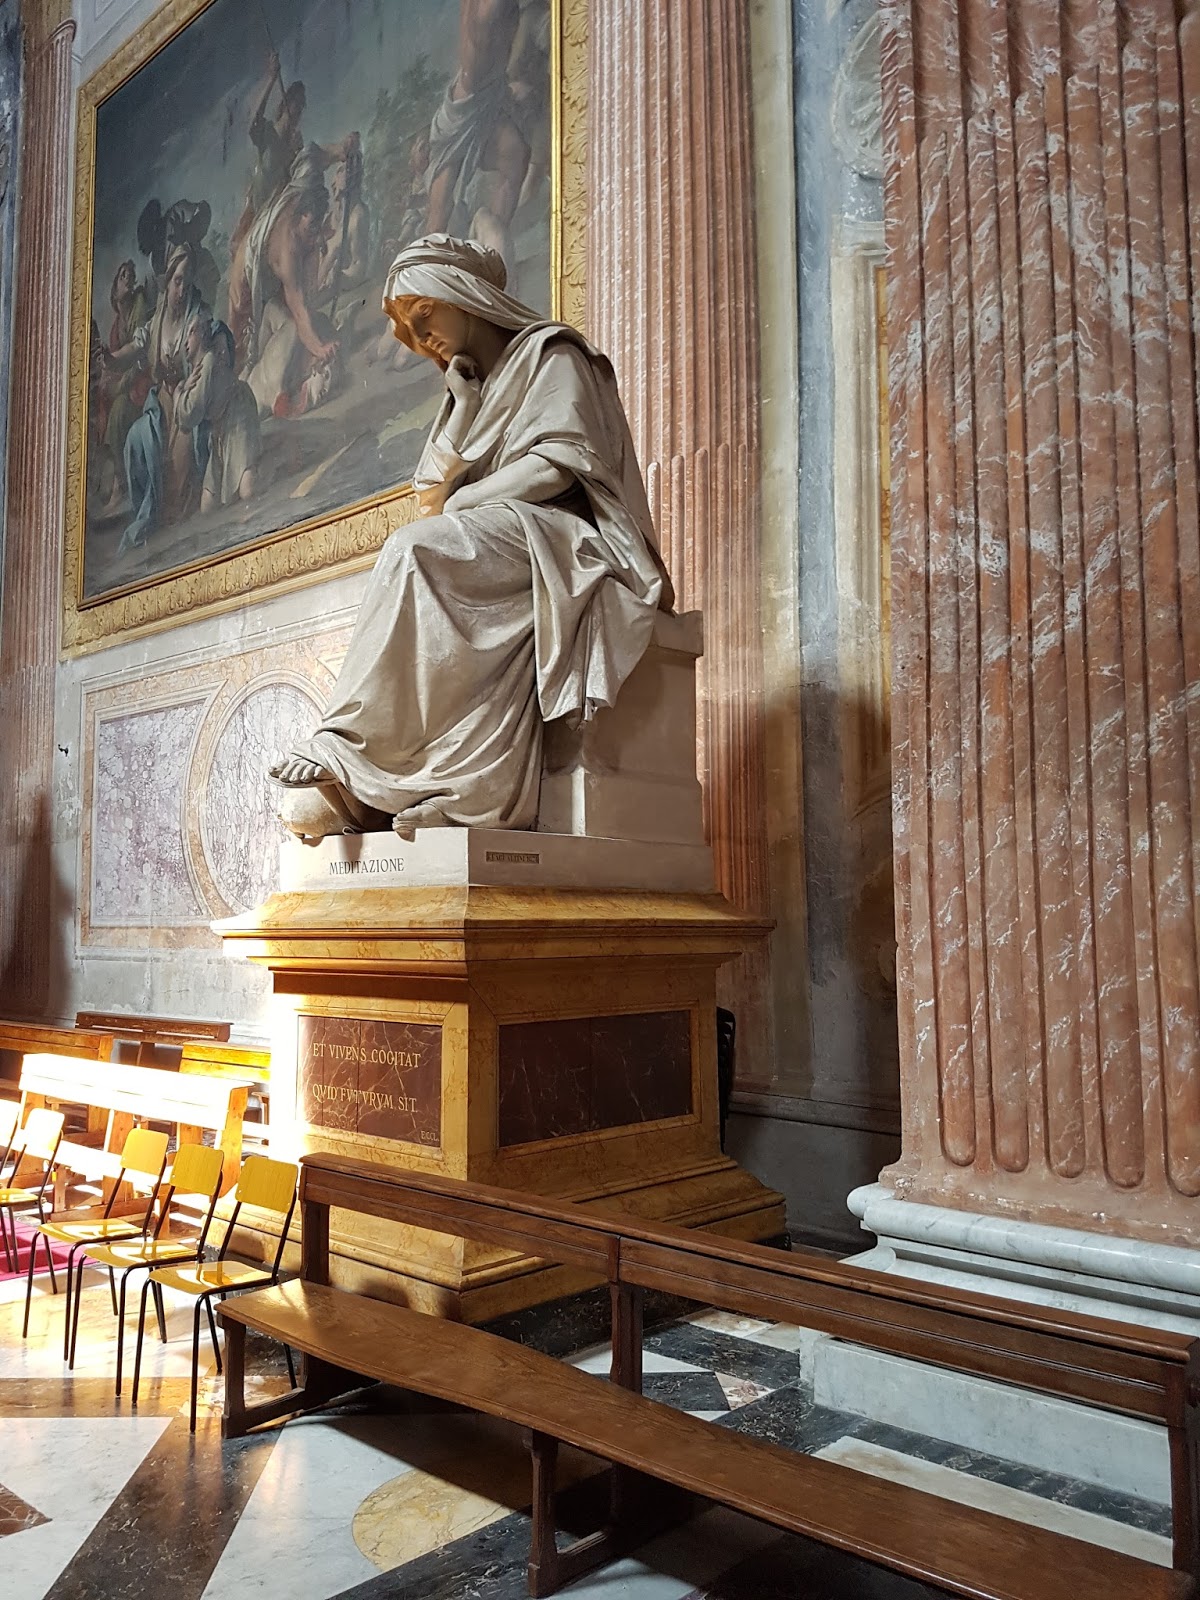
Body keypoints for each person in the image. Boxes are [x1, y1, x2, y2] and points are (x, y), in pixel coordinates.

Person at [270, 233, 673, 842]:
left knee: (413, 552)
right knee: (422, 564)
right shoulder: (471, 385)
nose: (420, 336)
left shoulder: (552, 355)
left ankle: (349, 748)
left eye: (425, 314)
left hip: (565, 533)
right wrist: (463, 404)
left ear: (462, 295)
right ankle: (440, 783)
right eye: (409, 329)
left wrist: (466, 499)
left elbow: (558, 465)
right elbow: (431, 498)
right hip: (507, 533)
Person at [107, 244, 207, 551]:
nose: (182, 289)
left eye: (187, 282)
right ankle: (146, 513)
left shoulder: (196, 319)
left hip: (187, 403)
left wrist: (188, 385)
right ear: (168, 282)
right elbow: (136, 347)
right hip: (162, 403)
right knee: (136, 439)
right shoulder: (157, 321)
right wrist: (110, 359)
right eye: (177, 281)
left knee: (178, 476)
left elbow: (206, 357)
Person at [425, 0, 531, 273]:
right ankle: (433, 278)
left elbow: (503, 48)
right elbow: (482, 41)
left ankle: (489, 259)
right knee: (437, 219)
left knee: (517, 155)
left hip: (490, 97)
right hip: (462, 109)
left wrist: (507, 87)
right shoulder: (481, 14)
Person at [176, 309, 262, 512]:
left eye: (190, 333)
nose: (185, 343)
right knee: (207, 507)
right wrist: (184, 387)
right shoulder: (199, 369)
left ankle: (271, 461)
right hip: (220, 429)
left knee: (247, 491)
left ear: (202, 334)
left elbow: (190, 414)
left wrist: (179, 392)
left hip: (239, 412)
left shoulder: (208, 361)